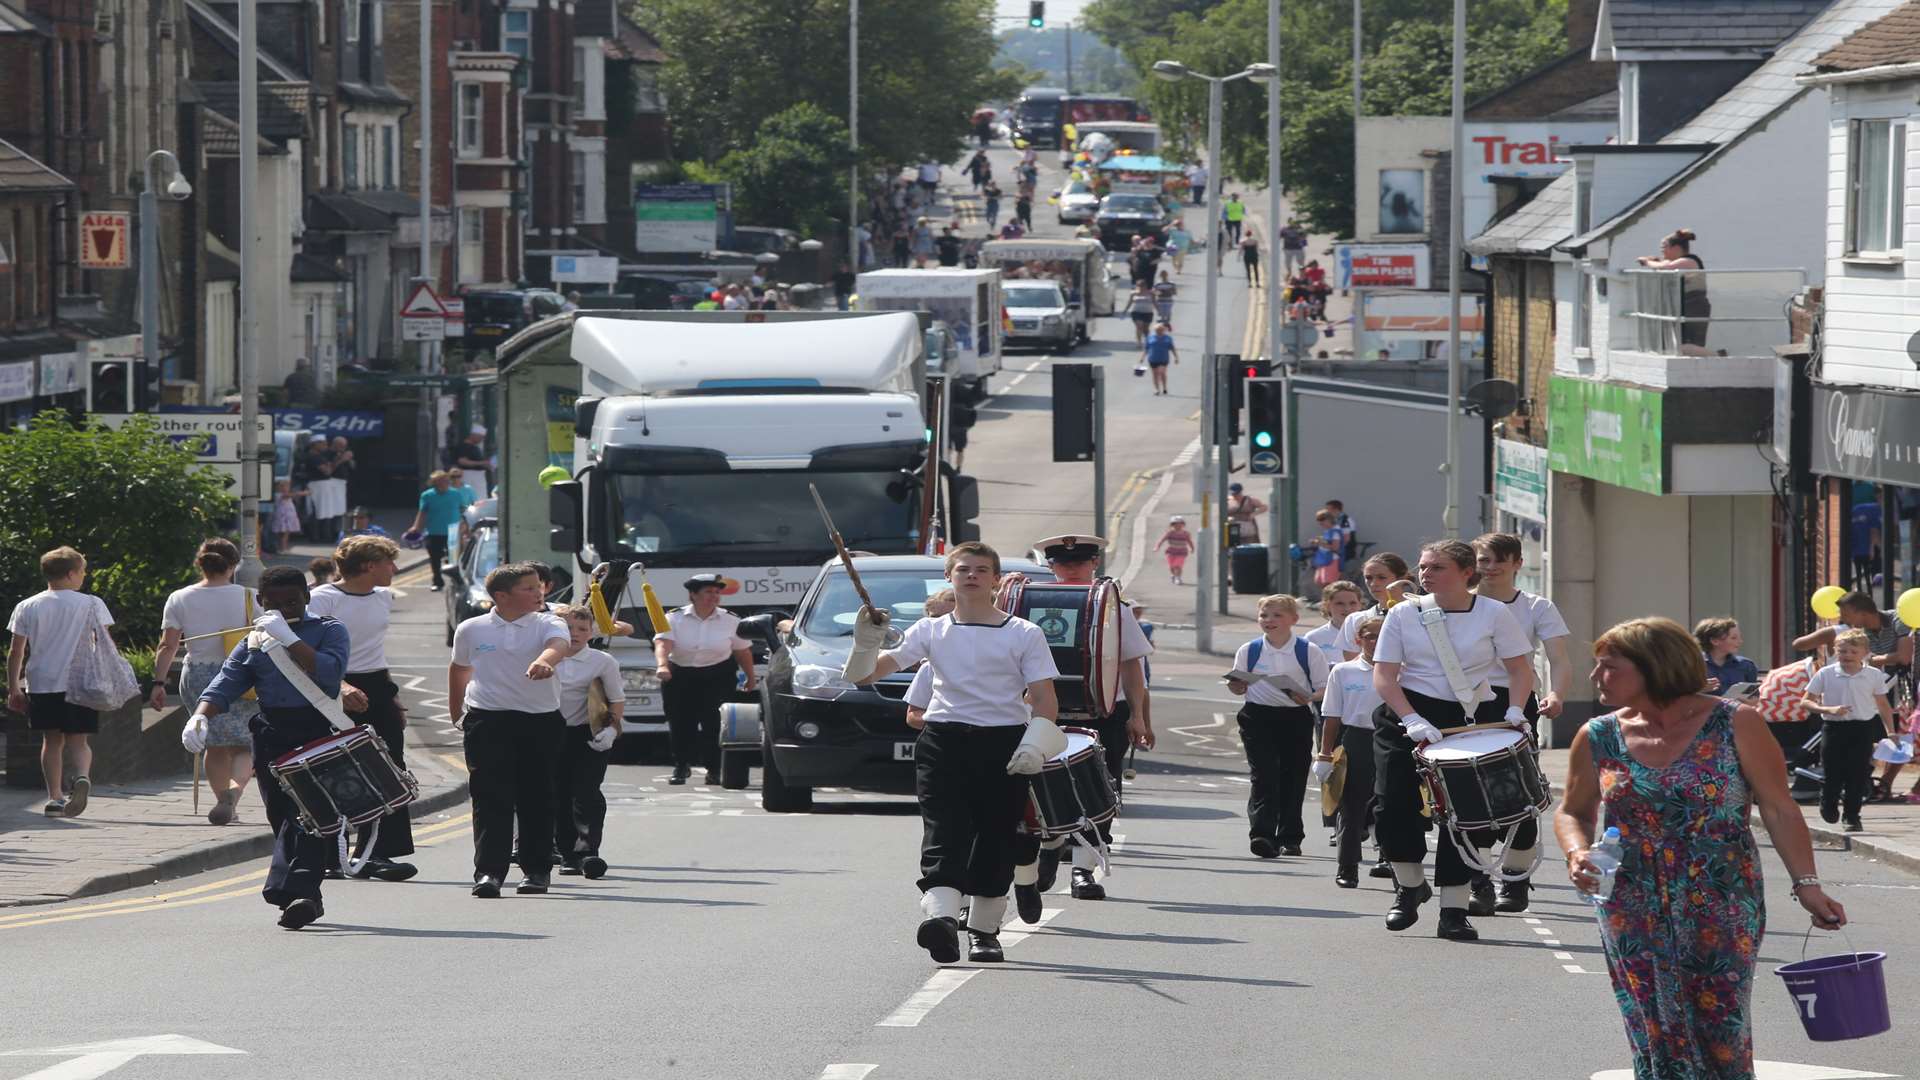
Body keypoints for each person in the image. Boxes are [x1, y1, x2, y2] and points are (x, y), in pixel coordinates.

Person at [1556, 617, 1846, 1079]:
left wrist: (1807, 885)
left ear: (1654, 668)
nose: (1595, 678)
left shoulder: (1736, 722)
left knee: (1720, 1025)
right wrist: (1577, 853)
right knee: (1651, 1022)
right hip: (1630, 899)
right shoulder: (1598, 734)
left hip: (1721, 895)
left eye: (1608, 667)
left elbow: (1778, 808)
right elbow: (1573, 810)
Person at [846, 542, 1062, 964]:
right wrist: (865, 643)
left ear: (995, 579)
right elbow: (865, 676)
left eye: (982, 569)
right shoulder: (930, 630)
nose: (972, 575)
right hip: (943, 740)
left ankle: (984, 931)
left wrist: (1035, 744)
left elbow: (1044, 698)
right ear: (949, 576)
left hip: (1003, 742)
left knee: (996, 834)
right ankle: (942, 919)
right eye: (963, 569)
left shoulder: (1024, 633)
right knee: (944, 829)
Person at [1370, 540, 1535, 941]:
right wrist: (1410, 719)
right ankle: (1409, 887)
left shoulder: (1494, 613)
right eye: (1423, 567)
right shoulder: (1404, 615)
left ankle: (1455, 910)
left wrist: (1515, 711)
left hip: (1472, 715)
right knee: (1392, 804)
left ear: (1466, 573)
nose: (1425, 574)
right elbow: (1384, 675)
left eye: (1437, 567)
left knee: (1466, 815)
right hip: (1409, 711)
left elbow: (1519, 668)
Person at [193, 565, 351, 929]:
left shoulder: (329, 630)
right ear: (261, 602)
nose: (284, 608)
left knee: (311, 812)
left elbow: (329, 672)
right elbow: (226, 682)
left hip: (316, 727)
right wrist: (200, 716)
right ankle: (306, 896)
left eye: (293, 600)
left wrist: (290, 639)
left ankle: (298, 893)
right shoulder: (254, 639)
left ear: (308, 597)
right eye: (274, 604)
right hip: (272, 729)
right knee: (281, 815)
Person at [1010, 535, 1155, 904]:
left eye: (1080, 562)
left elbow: (1130, 665)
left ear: (1094, 564)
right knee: (1038, 788)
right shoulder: (1029, 605)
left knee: (1098, 790)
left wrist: (1138, 715)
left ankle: (1083, 869)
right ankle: (1048, 845)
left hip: (1104, 709)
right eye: (1061, 563)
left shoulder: (1113, 608)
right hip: (1043, 710)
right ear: (1051, 567)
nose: (1070, 568)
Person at [449, 563, 572, 898]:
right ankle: (489, 872)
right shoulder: (472, 628)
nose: (539, 593)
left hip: (539, 720)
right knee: (490, 798)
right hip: (488, 721)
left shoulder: (549, 621)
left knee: (537, 796)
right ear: (502, 596)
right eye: (529, 588)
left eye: (539, 587)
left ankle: (536, 870)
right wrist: (454, 711)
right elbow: (460, 669)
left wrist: (546, 661)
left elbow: (558, 645)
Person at [1470, 531, 1572, 915]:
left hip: (1517, 702)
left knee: (1520, 793)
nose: (1490, 567)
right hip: (1463, 705)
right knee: (1467, 793)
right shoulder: (1458, 604)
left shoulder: (1535, 606)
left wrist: (1557, 694)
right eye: (1482, 560)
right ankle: (1476, 879)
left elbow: (1558, 658)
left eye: (1499, 559)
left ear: (1517, 564)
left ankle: (1514, 880)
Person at [307, 535, 417, 882]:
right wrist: (340, 687)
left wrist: (390, 694)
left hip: (375, 687)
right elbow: (307, 651)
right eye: (389, 562)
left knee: (389, 768)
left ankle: (377, 853)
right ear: (369, 565)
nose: (395, 569)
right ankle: (328, 854)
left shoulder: (383, 597)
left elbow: (374, 650)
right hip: (330, 685)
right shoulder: (324, 598)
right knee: (333, 769)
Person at [151, 539, 260, 825]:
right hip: (241, 675)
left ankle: (223, 797)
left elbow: (167, 646)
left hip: (198, 675)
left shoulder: (179, 597)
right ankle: (234, 795)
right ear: (234, 565)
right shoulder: (250, 596)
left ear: (199, 563)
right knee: (244, 745)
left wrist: (159, 683)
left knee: (213, 743)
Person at [7, 546, 115, 817]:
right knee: (79, 741)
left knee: (52, 741)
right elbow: (104, 643)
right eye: (82, 571)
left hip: (43, 683)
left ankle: (54, 797)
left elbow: (16, 651)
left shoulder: (28, 606)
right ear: (70, 574)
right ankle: (81, 777)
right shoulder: (91, 603)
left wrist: (13, 688)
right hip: (80, 682)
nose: (84, 576)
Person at [1228, 594, 1330, 858]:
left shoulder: (1307, 651)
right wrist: (1237, 685)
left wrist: (1308, 696)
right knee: (1263, 775)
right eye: (1264, 615)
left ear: (1293, 620)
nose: (1269, 620)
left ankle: (1290, 837)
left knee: (1293, 776)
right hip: (1257, 717)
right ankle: (1262, 835)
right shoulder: (1249, 650)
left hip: (1295, 717)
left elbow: (1324, 687)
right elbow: (1237, 686)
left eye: (1277, 615)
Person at [654, 574, 756, 786]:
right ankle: (681, 766)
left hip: (717, 675)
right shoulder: (673, 617)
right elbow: (663, 644)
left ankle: (714, 769)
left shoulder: (731, 619)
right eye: (708, 592)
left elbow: (742, 651)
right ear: (693, 595)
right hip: (680, 674)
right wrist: (662, 665)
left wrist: (750, 677)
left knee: (714, 723)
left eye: (717, 592)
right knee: (681, 722)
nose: (714, 596)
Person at [552, 604, 624, 878]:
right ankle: (567, 855)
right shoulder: (545, 656)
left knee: (586, 792)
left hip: (587, 734)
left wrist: (612, 731)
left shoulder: (602, 661)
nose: (575, 633)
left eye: (582, 628)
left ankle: (587, 853)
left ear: (591, 632)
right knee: (558, 794)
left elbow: (616, 700)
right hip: (550, 733)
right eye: (569, 628)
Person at [1801, 629, 1895, 833]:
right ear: (1835, 651)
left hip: (1862, 728)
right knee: (1833, 771)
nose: (1847, 656)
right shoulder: (1826, 673)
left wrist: (1891, 732)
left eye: (1853, 652)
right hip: (1833, 727)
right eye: (1843, 651)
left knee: (1858, 773)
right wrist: (1827, 709)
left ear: (1865, 653)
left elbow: (1883, 705)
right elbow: (1806, 701)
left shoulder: (1873, 675)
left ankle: (1852, 816)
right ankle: (1829, 801)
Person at [1316, 612, 1385, 887]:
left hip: (1390, 738)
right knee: (1351, 805)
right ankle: (1347, 867)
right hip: (1356, 738)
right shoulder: (1343, 672)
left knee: (1388, 803)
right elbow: (1331, 716)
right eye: (1370, 636)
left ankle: (1389, 858)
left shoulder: (1402, 671)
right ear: (1359, 640)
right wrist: (1324, 754)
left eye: (1383, 637)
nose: (1376, 642)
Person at [1791, 590, 1913, 670]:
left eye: (1846, 615)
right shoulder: (1863, 634)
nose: (1843, 619)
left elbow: (1904, 657)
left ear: (1863, 613)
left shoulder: (1899, 620)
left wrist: (1869, 661)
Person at [1635, 228, 1710, 355]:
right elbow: (1663, 265)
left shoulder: (1689, 261)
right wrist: (1654, 261)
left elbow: (1667, 267)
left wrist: (1648, 262)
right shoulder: (1676, 262)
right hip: (1684, 307)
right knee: (1678, 346)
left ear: (1676, 248)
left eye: (1664, 247)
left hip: (1695, 307)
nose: (1661, 250)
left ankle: (1719, 356)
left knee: (1687, 346)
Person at [1337, 551, 1412, 660]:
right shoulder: (1355, 620)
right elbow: (1351, 667)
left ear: (1401, 578)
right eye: (1368, 578)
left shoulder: (1420, 613)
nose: (1373, 584)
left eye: (1381, 577)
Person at [408, 470, 467, 592]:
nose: (443, 483)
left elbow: (463, 510)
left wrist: (466, 527)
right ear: (434, 483)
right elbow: (422, 512)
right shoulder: (427, 495)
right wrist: (416, 527)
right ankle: (437, 582)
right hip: (433, 531)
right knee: (434, 559)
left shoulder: (456, 494)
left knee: (454, 558)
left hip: (453, 532)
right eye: (439, 481)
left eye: (445, 480)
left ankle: (457, 581)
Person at [1304, 580, 1364, 669]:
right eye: (1340, 603)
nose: (1347, 608)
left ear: (1360, 605)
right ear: (1327, 606)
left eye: (1352, 603)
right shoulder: (1313, 638)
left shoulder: (1371, 634)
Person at [1695, 617, 1759, 698]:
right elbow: (1678, 697)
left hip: (1737, 710)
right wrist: (1697, 689)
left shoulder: (1746, 665)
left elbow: (1754, 698)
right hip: (1703, 710)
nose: (1740, 641)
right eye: (1734, 638)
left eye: (1739, 637)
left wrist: (1749, 701)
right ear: (1715, 641)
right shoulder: (1693, 665)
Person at [1849, 495, 1882, 591]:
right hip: (1865, 548)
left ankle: (1860, 590)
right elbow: (1874, 532)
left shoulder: (1856, 510)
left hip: (1856, 547)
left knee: (1859, 572)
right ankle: (1869, 591)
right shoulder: (1875, 510)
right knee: (1867, 571)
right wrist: (1878, 548)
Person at [1141, 321, 1179, 396]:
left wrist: (1176, 357)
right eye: (1157, 330)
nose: (1159, 331)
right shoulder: (1150, 338)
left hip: (1163, 358)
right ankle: (1157, 389)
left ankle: (1164, 387)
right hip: (1153, 358)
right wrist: (1142, 358)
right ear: (1155, 330)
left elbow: (1172, 348)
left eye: (1161, 330)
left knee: (1162, 372)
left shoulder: (1168, 338)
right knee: (1155, 374)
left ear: (1164, 330)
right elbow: (1146, 348)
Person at [1155, 514, 1193, 585]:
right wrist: (1157, 547)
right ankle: (1173, 575)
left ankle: (1178, 578)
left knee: (1178, 566)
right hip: (1171, 552)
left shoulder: (1186, 534)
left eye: (1180, 524)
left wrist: (1192, 548)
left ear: (1183, 525)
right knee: (1172, 566)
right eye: (1175, 525)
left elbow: (1189, 541)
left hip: (1182, 552)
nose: (1178, 526)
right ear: (1172, 525)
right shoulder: (1170, 533)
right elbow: (1162, 540)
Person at [1309, 509, 1343, 586]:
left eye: (1322, 521)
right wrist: (1319, 541)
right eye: (1319, 521)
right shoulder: (1328, 531)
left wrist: (1319, 543)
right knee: (1319, 581)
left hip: (1331, 560)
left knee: (1328, 583)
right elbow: (1327, 542)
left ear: (1329, 519)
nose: (1320, 523)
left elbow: (1335, 548)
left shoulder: (1335, 532)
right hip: (1324, 560)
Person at [270, 479, 303, 554]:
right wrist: (304, 493)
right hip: (283, 517)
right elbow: (289, 495)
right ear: (278, 487)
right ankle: (282, 548)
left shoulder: (283, 494)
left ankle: (282, 548)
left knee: (285, 533)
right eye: (283, 486)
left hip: (288, 516)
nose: (286, 488)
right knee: (283, 533)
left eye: (287, 486)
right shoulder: (278, 494)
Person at [1126, 281, 1156, 346]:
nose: (1141, 287)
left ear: (1146, 286)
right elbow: (1130, 302)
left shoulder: (1151, 293)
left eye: (1142, 286)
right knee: (1139, 326)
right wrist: (1125, 310)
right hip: (1136, 312)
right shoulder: (1133, 293)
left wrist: (1159, 310)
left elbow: (1154, 302)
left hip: (1148, 312)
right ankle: (1139, 341)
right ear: (1137, 286)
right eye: (1139, 286)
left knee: (1146, 329)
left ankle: (1147, 340)